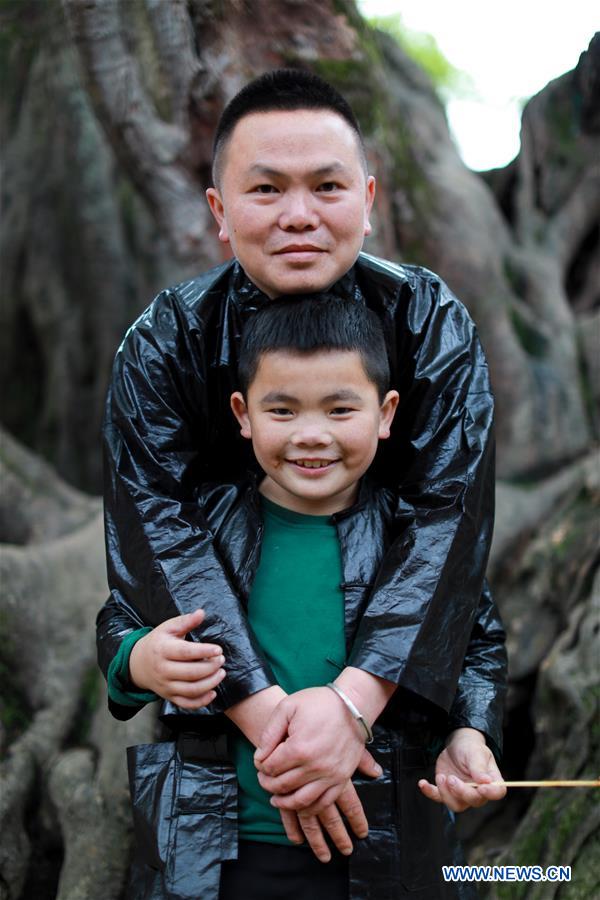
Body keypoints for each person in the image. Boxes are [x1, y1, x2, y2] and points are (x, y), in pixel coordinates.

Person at [96, 69, 507, 899]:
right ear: (219, 211)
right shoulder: (164, 342)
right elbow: (156, 532)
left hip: (390, 776)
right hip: (222, 799)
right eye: (265, 188)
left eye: (326, 186)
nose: (298, 215)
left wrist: (351, 707)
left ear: (367, 197)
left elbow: (447, 528)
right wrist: (275, 721)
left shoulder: (432, 325)